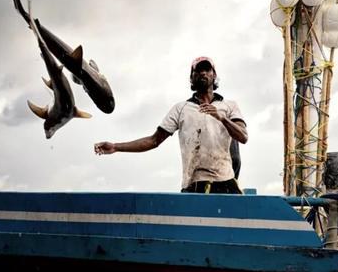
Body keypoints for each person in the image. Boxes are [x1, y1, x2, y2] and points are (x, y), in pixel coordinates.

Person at [94, 57, 248, 194]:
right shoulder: (181, 109)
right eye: (198, 71)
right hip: (195, 185)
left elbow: (243, 136)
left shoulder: (229, 106)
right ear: (191, 78)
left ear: (214, 75)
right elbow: (154, 140)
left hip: (226, 184)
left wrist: (222, 118)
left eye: (207, 69)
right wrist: (115, 146)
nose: (203, 73)